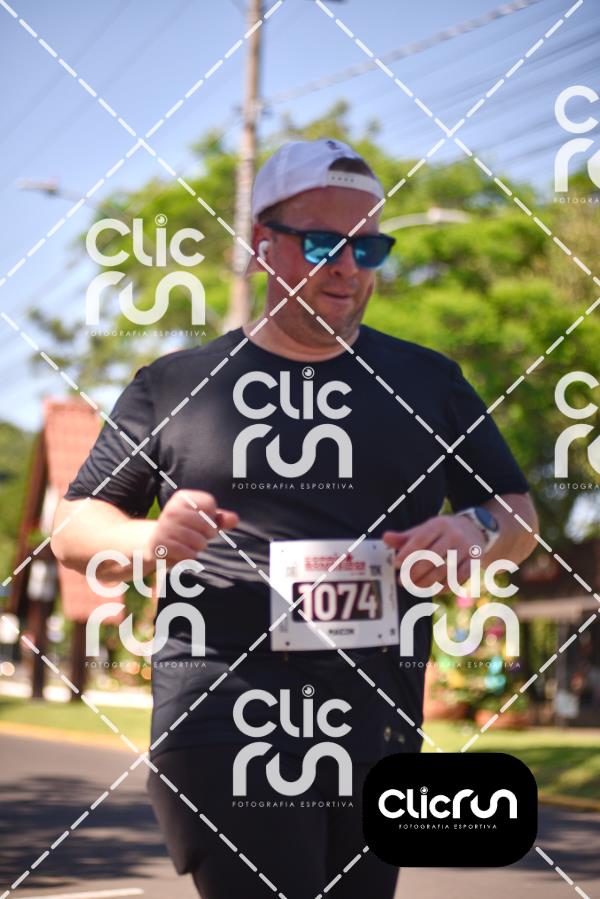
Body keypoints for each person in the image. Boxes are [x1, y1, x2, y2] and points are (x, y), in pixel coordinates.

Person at [52, 138, 538, 898]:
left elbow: (518, 515)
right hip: (222, 712)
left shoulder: (429, 382)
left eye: (368, 247)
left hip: (378, 722)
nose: (347, 267)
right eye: (322, 244)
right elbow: (73, 526)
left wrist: (474, 532)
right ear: (261, 246)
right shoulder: (174, 385)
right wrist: (149, 539)